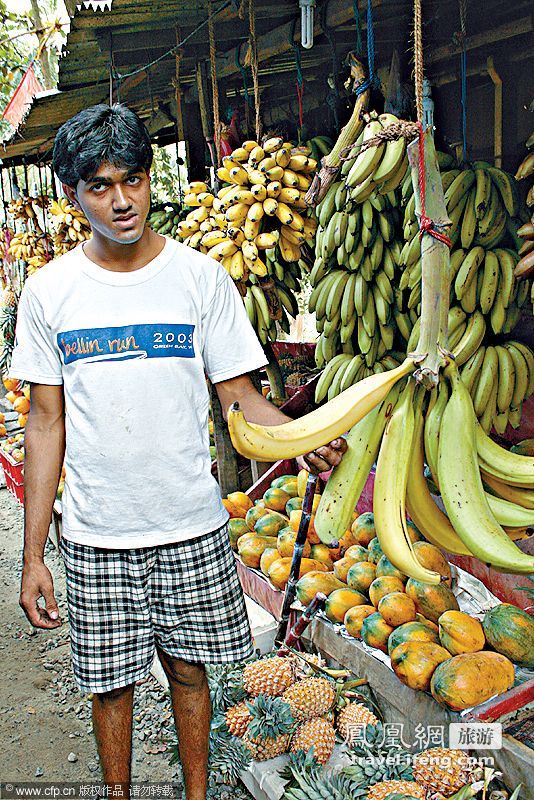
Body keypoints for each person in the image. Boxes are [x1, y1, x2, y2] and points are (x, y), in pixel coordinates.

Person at [11, 104, 347, 800]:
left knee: (195, 673)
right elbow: (46, 424)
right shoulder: (49, 294)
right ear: (73, 195)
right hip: (99, 532)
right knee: (111, 689)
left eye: (132, 179)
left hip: (192, 523)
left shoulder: (200, 279)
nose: (121, 199)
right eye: (99, 185)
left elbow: (241, 398)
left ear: (147, 182)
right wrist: (35, 555)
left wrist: (303, 436)